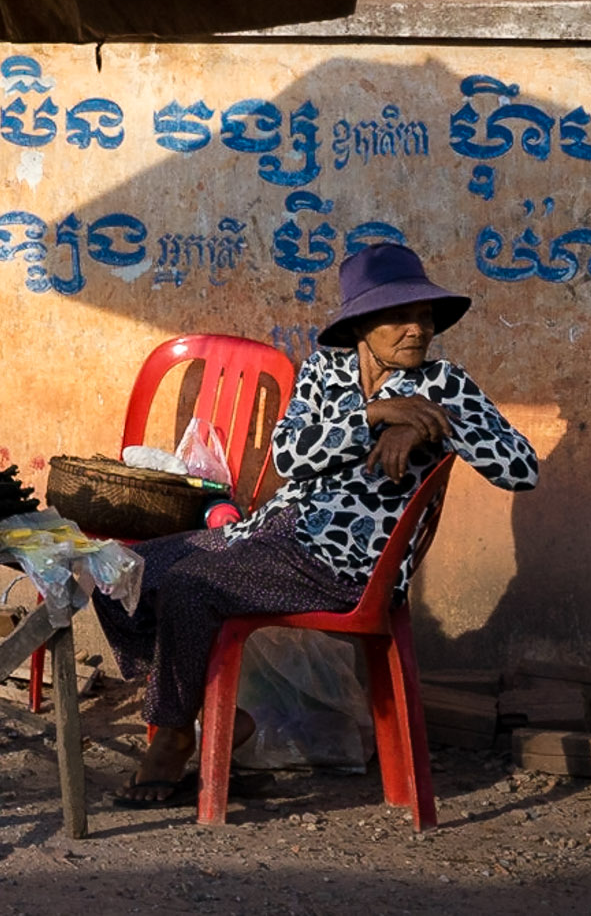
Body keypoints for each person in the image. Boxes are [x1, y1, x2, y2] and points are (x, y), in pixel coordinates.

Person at [95, 243, 539, 806]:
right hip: (271, 534)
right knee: (115, 572)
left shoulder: (445, 384)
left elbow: (521, 470)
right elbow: (290, 458)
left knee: (189, 585)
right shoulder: (325, 372)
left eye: (425, 316)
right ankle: (208, 717)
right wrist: (374, 417)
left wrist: (436, 425)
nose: (418, 329)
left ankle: (175, 736)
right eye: (400, 316)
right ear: (360, 324)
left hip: (345, 565)